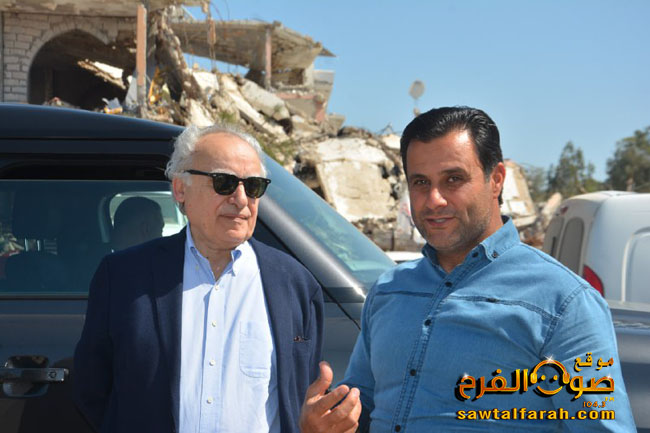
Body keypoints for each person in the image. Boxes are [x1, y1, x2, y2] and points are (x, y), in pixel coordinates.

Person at [300, 107, 635, 432]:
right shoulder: (389, 290)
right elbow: (362, 408)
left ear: (496, 180)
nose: (434, 199)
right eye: (420, 182)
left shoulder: (565, 303)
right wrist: (328, 422)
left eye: (453, 179)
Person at [74, 124, 324, 433]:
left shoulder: (295, 284)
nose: (241, 199)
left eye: (254, 186)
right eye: (224, 183)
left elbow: (300, 399)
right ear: (181, 189)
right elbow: (92, 391)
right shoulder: (123, 277)